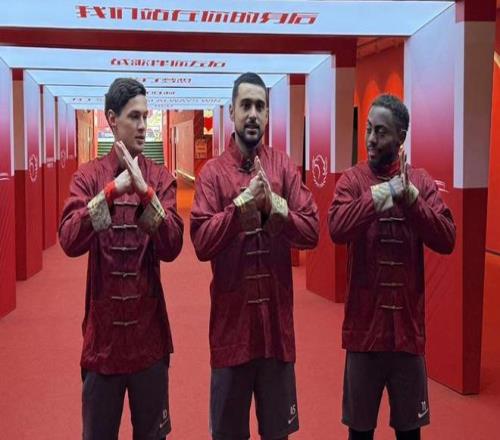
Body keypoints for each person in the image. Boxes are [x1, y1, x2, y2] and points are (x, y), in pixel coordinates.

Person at [190, 72, 319, 440]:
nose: (252, 114)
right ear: (231, 111)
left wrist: (274, 207)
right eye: (245, 105)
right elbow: (201, 242)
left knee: (277, 434)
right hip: (231, 332)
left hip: (276, 332)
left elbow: (312, 231)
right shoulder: (212, 174)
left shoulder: (283, 167)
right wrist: (241, 207)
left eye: (259, 106)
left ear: (267, 114)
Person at [59, 78, 183, 440]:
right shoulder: (88, 176)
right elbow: (69, 240)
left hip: (150, 342)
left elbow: (173, 246)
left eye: (146, 116)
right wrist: (112, 192)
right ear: (112, 119)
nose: (143, 125)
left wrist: (146, 194)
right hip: (102, 345)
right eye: (134, 116)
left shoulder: (160, 177)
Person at [328, 94, 456, 440]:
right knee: (360, 433)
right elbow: (337, 228)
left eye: (381, 132)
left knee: (409, 433)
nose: (371, 138)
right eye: (369, 129)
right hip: (363, 334)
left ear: (401, 137)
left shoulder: (421, 182)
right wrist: (385, 193)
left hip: (407, 336)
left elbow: (447, 239)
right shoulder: (352, 180)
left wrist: (411, 199)